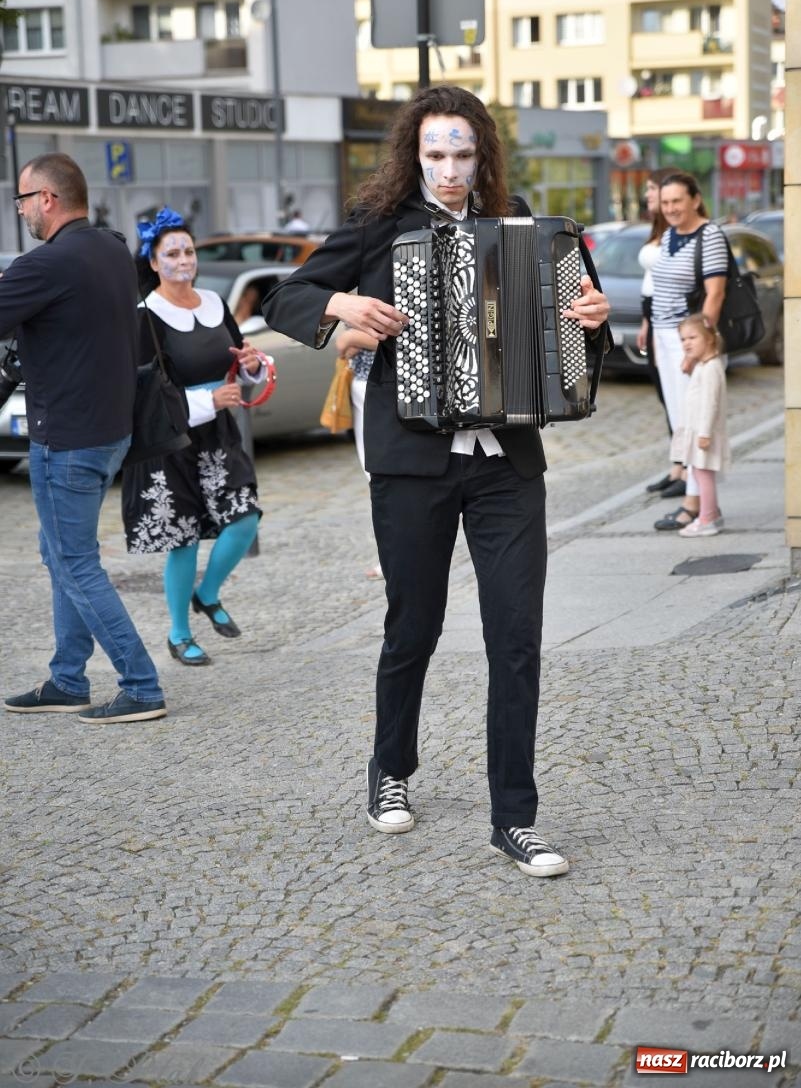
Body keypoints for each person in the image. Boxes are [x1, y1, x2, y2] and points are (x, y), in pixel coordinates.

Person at [262, 84, 610, 878]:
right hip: (412, 463)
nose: (449, 170)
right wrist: (342, 306)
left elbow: (574, 331)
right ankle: (390, 771)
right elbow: (289, 296)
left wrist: (590, 321)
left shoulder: (522, 219)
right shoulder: (377, 223)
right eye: (435, 155)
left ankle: (514, 819)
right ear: (413, 154)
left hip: (508, 465)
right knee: (411, 626)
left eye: (462, 154)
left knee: (515, 638)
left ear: (482, 151)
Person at [1, 154, 166, 723]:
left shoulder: (45, 263)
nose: (20, 210)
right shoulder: (111, 250)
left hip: (66, 439)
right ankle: (67, 678)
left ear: (46, 199)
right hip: (108, 432)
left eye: (22, 200)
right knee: (61, 554)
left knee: (73, 563)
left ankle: (141, 685)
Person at [121, 209, 265, 667]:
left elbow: (237, 358)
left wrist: (252, 366)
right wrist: (207, 401)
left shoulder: (214, 302)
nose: (183, 260)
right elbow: (144, 392)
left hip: (218, 432)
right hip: (171, 437)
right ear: (153, 262)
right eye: (172, 253)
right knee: (182, 537)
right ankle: (179, 633)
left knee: (244, 516)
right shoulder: (145, 316)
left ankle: (208, 593)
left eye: (188, 250)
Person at [650, 172, 727, 533]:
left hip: (689, 341)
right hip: (665, 336)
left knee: (696, 423)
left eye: (677, 201)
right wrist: (653, 331)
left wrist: (696, 348)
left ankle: (695, 505)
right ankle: (695, 500)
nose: (671, 209)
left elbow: (715, 294)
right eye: (665, 203)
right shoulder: (668, 236)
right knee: (680, 421)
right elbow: (661, 288)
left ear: (695, 199)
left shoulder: (709, 235)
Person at [636, 168, 684, 498]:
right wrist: (646, 322)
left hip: (672, 323)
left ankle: (685, 467)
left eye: (653, 189)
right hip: (654, 319)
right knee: (665, 397)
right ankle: (677, 464)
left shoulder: (679, 231)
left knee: (678, 400)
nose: (649, 196)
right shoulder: (659, 229)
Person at [670, 313, 729, 537]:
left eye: (692, 338)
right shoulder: (703, 366)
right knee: (698, 475)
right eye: (683, 339)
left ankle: (708, 518)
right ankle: (711, 515)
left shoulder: (711, 368)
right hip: (699, 433)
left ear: (710, 339)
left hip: (705, 435)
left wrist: (704, 434)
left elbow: (710, 404)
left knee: (703, 477)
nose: (686, 343)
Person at [334, 325, 383, 579]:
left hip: (380, 384)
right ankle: (390, 554)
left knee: (379, 475)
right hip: (364, 381)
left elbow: (406, 332)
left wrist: (351, 337)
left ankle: (391, 556)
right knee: (375, 475)